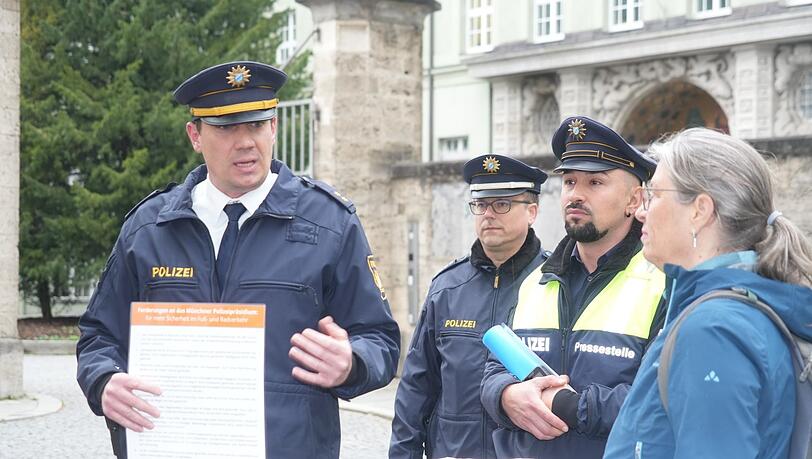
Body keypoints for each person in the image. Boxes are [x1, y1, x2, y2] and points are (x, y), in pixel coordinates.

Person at [75, 61, 400, 458]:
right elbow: (99, 335)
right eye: (227, 127)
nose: (246, 142)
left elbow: (380, 339)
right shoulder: (150, 229)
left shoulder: (330, 224)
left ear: (275, 127)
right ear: (195, 135)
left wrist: (352, 363)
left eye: (257, 125)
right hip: (172, 446)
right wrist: (104, 380)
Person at [603, 128, 812, 458]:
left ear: (699, 210)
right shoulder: (734, 310)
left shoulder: (713, 329)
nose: (641, 211)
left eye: (654, 194)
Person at [480, 116, 667, 458]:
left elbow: (661, 402)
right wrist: (506, 397)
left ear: (635, 200)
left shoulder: (662, 284)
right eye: (569, 182)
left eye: (595, 183)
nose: (575, 195)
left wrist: (569, 406)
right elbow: (494, 369)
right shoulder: (537, 281)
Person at [389, 154, 549, 459]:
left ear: (532, 212)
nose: (488, 214)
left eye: (501, 204)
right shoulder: (447, 288)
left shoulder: (554, 283)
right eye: (480, 205)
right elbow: (416, 388)